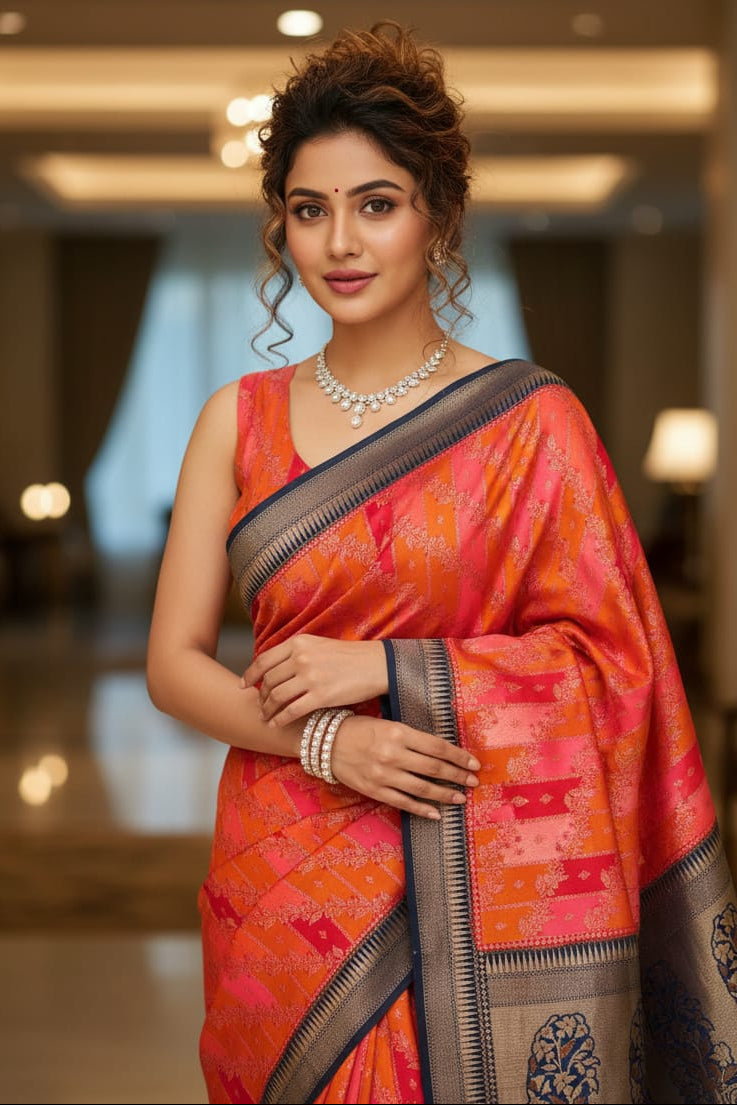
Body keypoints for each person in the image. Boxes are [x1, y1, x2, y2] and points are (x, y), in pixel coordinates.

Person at [146, 21, 737, 1105]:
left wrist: (388, 671)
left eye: (376, 204)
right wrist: (330, 739)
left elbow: (617, 669)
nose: (340, 243)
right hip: (283, 872)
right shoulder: (237, 419)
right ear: (279, 222)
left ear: (438, 214)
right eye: (309, 209)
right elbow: (174, 665)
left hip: (469, 850)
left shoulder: (530, 422)